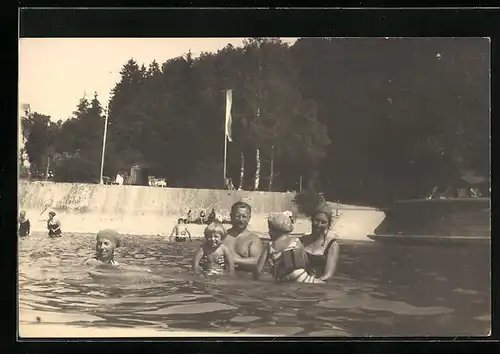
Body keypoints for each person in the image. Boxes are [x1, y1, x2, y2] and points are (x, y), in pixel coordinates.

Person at [253, 213, 324, 283]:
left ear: (275, 231)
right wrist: (312, 274)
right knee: (321, 283)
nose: (269, 232)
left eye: (270, 230)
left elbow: (258, 271)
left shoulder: (269, 246)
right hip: (298, 275)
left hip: (281, 279)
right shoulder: (295, 241)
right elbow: (305, 262)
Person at [299, 205, 340, 281]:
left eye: (323, 222)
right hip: (301, 282)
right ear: (311, 220)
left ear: (328, 225)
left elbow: (328, 275)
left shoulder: (332, 245)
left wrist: (312, 282)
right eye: (316, 220)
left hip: (319, 286)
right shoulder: (301, 241)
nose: (318, 225)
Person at [223, 201, 263, 272]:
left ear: (249, 218)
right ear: (231, 216)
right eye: (238, 216)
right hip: (222, 277)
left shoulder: (253, 239)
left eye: (244, 216)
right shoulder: (222, 236)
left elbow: (256, 262)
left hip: (244, 279)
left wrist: (233, 259)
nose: (241, 220)